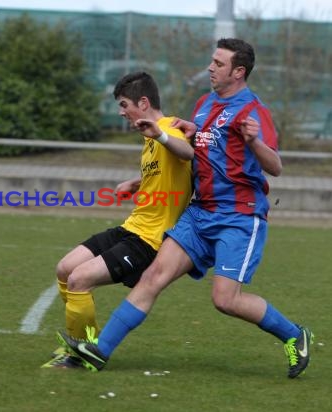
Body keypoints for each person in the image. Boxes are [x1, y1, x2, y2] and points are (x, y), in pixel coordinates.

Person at [58, 38, 314, 378]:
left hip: (238, 216)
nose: (211, 67)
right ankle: (98, 351)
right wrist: (141, 182)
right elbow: (196, 160)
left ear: (238, 72)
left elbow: (276, 166)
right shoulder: (205, 105)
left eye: (219, 64)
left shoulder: (253, 110)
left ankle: (295, 335)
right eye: (212, 61)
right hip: (199, 213)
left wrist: (254, 141)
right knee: (151, 277)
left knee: (225, 300)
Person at [42, 72, 194, 368]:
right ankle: (83, 344)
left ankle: (80, 354)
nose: (121, 112)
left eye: (124, 104)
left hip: (149, 240)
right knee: (64, 269)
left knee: (80, 279)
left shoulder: (169, 129)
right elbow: (168, 171)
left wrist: (160, 135)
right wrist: (136, 183)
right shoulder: (151, 136)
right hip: (130, 228)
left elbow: (186, 153)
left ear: (144, 102)